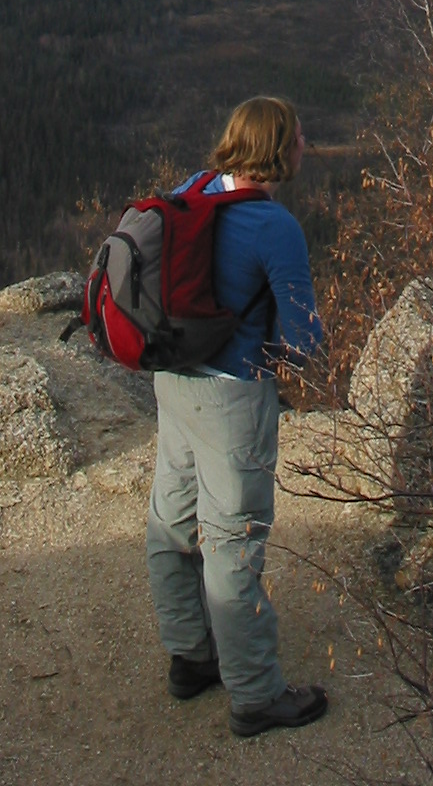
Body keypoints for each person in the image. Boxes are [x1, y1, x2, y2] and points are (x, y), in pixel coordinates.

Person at [146, 95, 329, 739]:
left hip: (172, 381)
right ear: (281, 149)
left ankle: (190, 658)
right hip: (232, 396)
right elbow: (304, 341)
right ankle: (254, 693)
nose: (307, 141)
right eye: (301, 135)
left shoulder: (192, 189)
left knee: (172, 520)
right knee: (233, 540)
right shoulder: (274, 226)